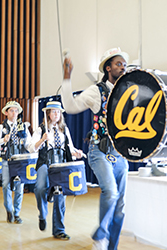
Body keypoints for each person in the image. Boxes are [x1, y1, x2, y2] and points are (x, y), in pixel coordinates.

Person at [60, 48, 129, 250]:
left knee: (120, 206)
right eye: (118, 64)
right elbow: (70, 107)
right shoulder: (96, 91)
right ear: (108, 68)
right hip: (99, 151)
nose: (122, 67)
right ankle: (101, 236)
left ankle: (111, 246)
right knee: (111, 192)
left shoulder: (128, 91)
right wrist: (66, 78)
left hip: (120, 154)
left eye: (124, 64)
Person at [28, 101, 84, 240]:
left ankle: (59, 230)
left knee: (60, 195)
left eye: (58, 112)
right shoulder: (41, 129)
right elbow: (31, 148)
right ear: (48, 114)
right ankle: (42, 214)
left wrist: (76, 153)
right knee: (40, 188)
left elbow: (70, 147)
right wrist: (42, 140)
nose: (56, 114)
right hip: (45, 163)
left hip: (61, 164)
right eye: (53, 111)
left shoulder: (64, 129)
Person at [0, 101, 32, 224]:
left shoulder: (23, 127)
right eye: (12, 110)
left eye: (16, 111)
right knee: (6, 185)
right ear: (6, 113)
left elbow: (29, 144)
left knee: (19, 186)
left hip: (20, 161)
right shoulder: (1, 128)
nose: (14, 113)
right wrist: (2, 139)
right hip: (7, 160)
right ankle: (9, 210)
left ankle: (17, 212)